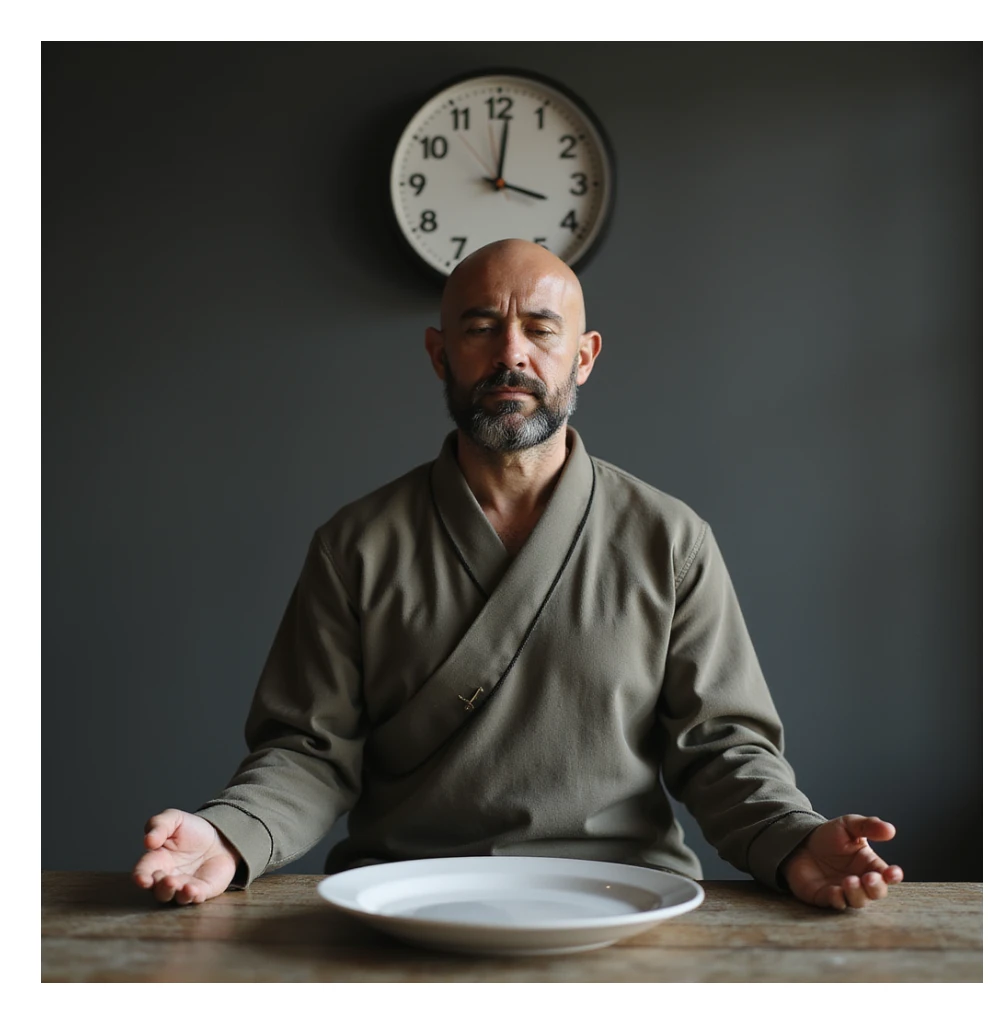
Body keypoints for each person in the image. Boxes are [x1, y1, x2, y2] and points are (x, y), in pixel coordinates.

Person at [133, 239, 903, 913]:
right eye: (480, 327)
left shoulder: (669, 538)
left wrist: (794, 841)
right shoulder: (356, 543)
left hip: (623, 898)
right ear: (440, 354)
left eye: (540, 328)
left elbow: (722, 747)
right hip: (408, 897)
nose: (512, 353)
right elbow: (308, 749)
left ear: (584, 355)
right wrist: (229, 835)